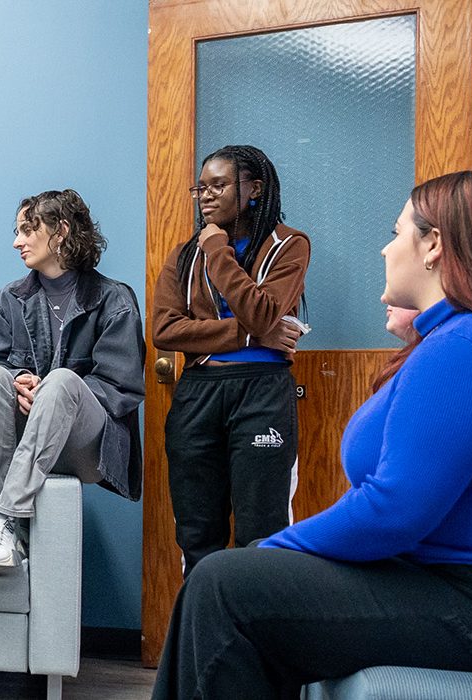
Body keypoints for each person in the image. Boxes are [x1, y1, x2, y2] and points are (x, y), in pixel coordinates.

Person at [153, 170, 472, 698]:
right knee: (224, 579)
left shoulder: (470, 345)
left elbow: (393, 511)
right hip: (453, 582)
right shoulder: (457, 340)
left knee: (225, 586)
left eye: (396, 231)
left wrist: (274, 550)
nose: (385, 249)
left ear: (434, 246)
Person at [0, 189, 145, 573]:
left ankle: (2, 518)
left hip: (86, 445)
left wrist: (48, 391)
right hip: (24, 433)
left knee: (62, 382)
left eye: (27, 230)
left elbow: (120, 389)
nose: (17, 242)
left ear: (60, 231)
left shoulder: (114, 300)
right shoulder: (6, 301)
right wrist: (17, 380)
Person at [150, 145, 310, 574]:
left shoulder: (288, 246)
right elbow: (165, 331)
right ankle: (204, 636)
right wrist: (252, 334)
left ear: (253, 189)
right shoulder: (184, 255)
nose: (205, 196)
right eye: (200, 188)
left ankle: (262, 638)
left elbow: (261, 308)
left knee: (262, 531)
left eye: (218, 185)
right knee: (197, 532)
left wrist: (219, 249)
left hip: (262, 392)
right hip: (198, 394)